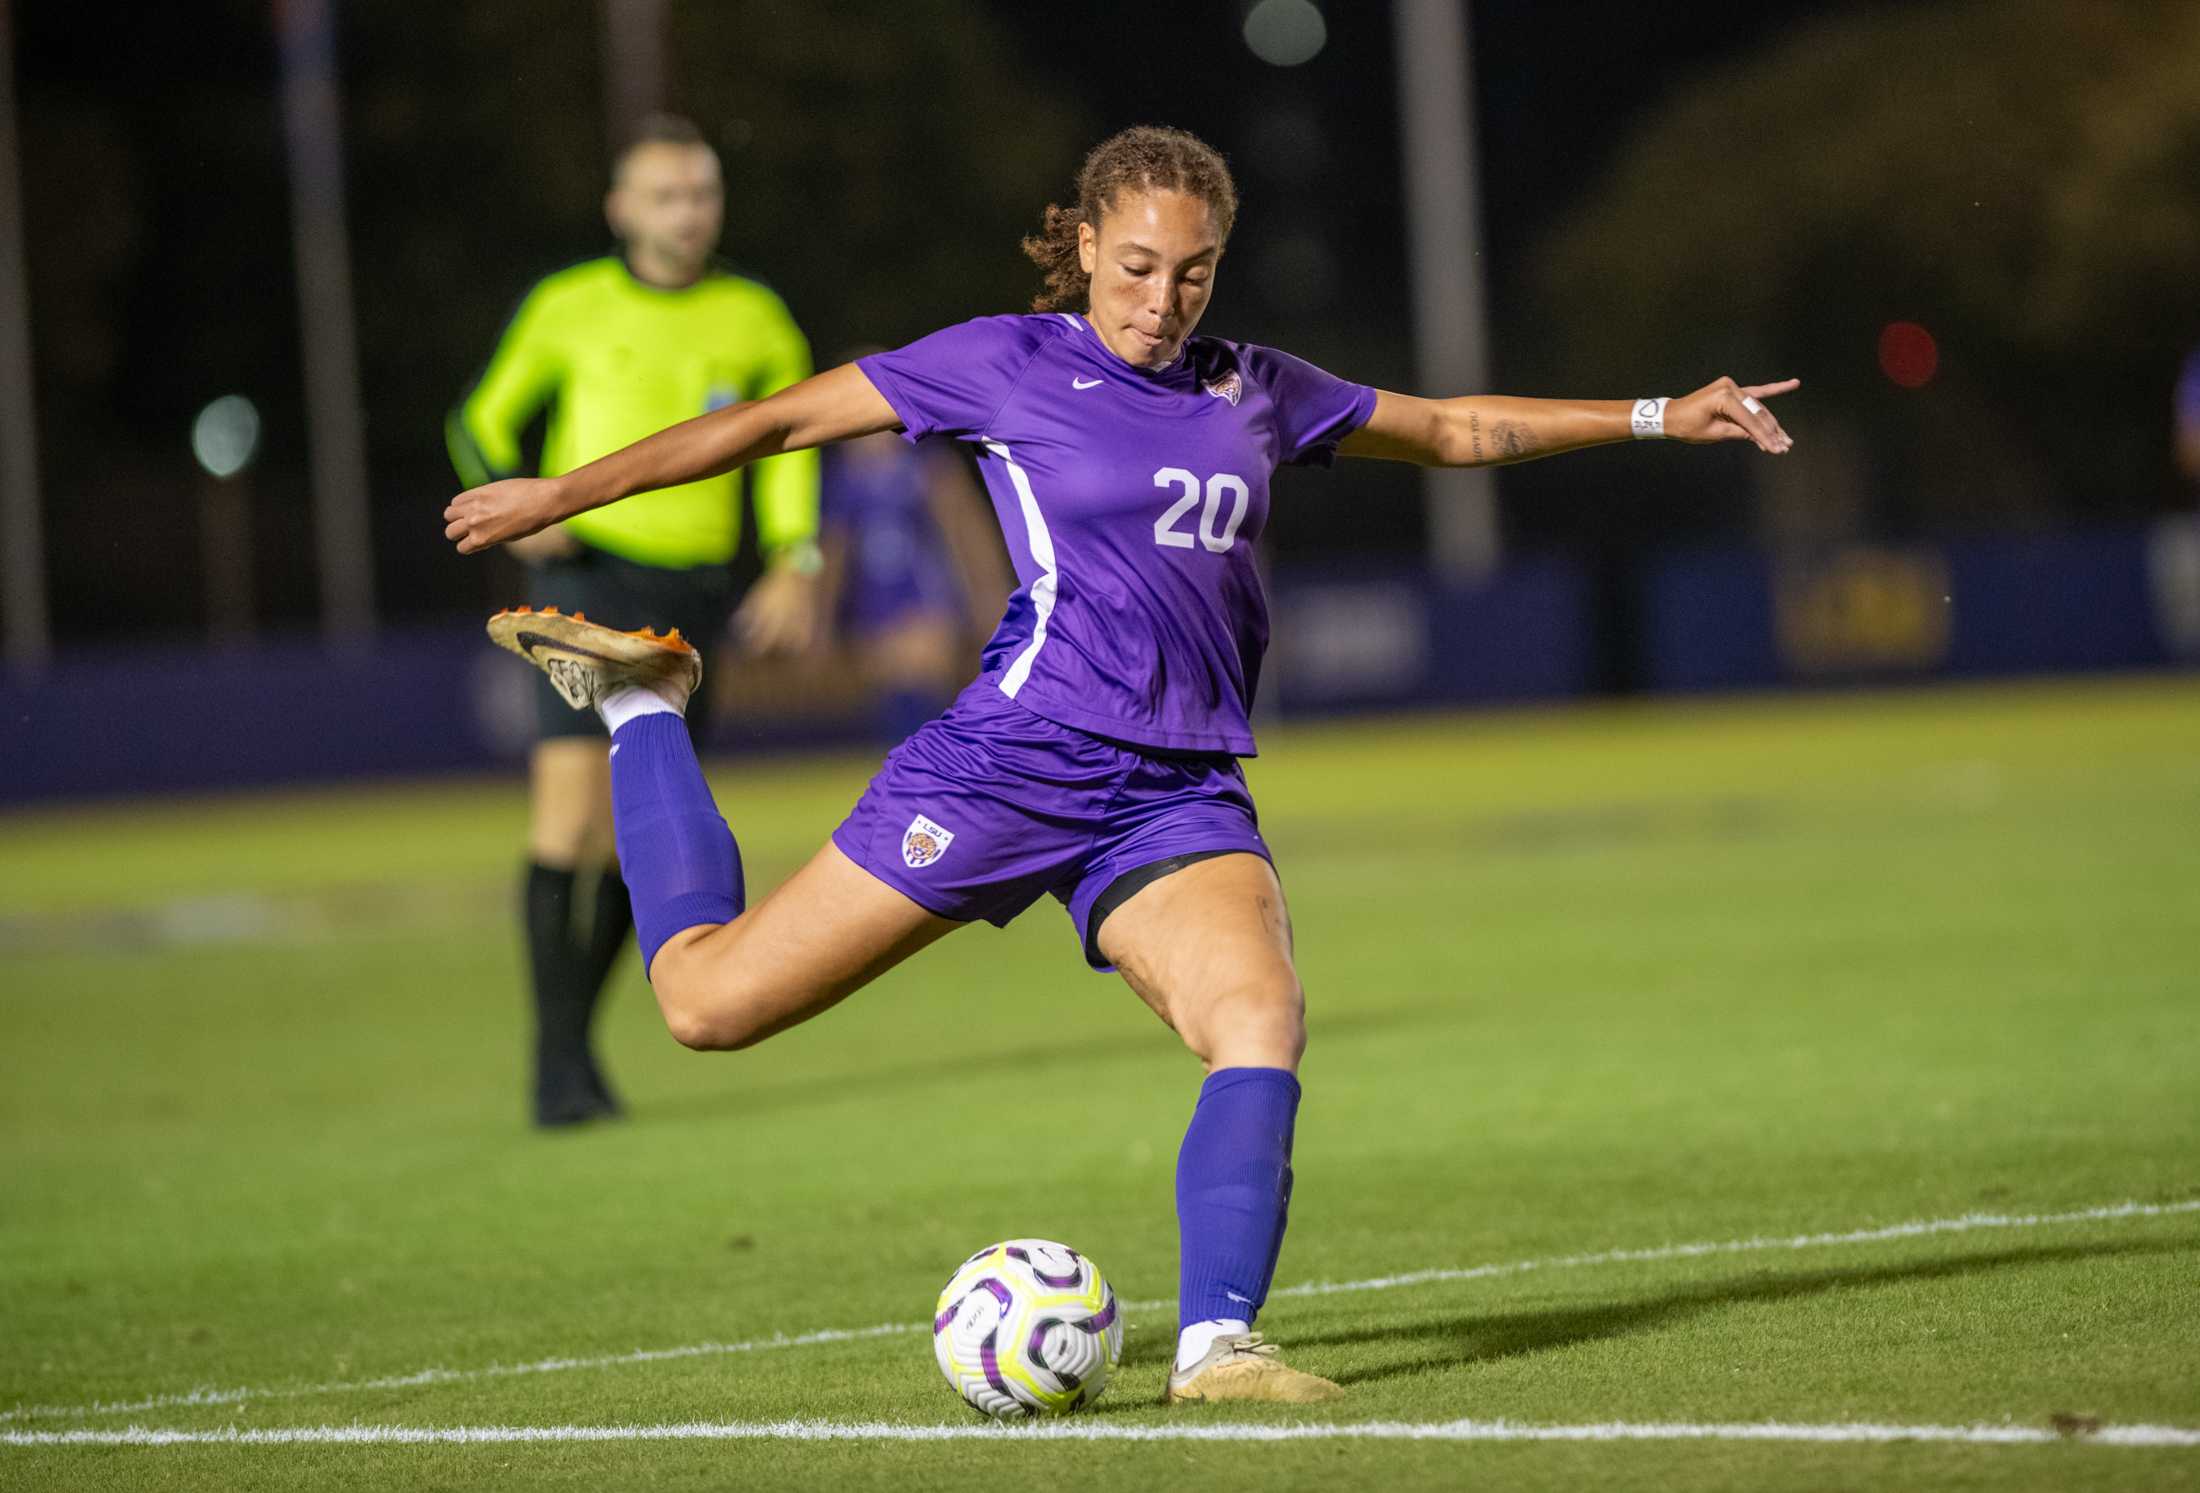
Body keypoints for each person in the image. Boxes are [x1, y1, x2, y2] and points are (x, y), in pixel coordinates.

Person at [445, 126, 1796, 1402]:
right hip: (1007, 765)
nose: (1163, 296)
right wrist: (564, 496)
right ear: (1086, 244)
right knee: (706, 1006)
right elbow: (771, 427)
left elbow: (1450, 430)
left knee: (1259, 1019)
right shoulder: (1003, 363)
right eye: (1138, 264)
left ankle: (1217, 1343)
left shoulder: (1256, 388)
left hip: (1178, 791)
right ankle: (645, 708)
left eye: (1192, 269)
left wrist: (1658, 414)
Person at [445, 113, 822, 1128]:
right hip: (592, 586)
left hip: (693, 593)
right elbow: (479, 420)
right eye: (663, 194)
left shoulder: (754, 315)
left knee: (628, 842)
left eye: (700, 193)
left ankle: (569, 1052)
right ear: (621, 207)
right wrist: (527, 520)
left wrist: (796, 560)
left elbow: (791, 444)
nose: (685, 213)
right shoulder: (569, 305)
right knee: (566, 818)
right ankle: (555, 1060)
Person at [817, 410, 1013, 743]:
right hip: (872, 613)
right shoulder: (841, 482)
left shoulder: (929, 467)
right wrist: (821, 620)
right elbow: (831, 555)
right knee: (891, 707)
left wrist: (990, 596)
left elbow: (967, 533)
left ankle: (945, 771)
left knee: (928, 692)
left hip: (928, 604)